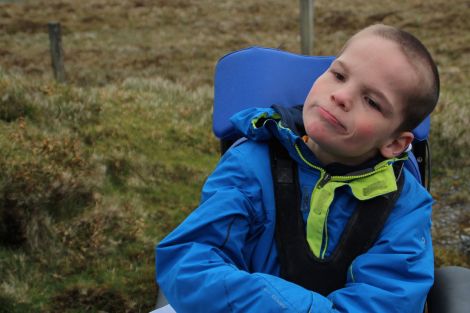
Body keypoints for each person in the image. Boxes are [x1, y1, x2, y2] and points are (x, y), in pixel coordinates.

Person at [155, 24, 440, 312]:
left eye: (371, 101)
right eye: (339, 75)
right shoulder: (251, 164)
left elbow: (388, 302)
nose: (341, 96)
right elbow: (190, 261)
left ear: (394, 143)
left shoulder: (406, 207)